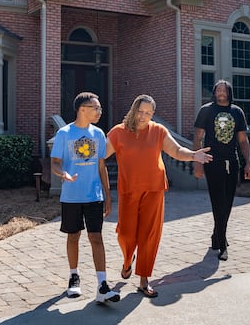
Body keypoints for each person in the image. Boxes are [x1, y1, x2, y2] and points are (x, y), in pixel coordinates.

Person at [106, 95, 212, 298]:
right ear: (133, 109)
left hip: (154, 189)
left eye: (148, 113)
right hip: (129, 190)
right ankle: (128, 260)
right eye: (141, 111)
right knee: (126, 233)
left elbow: (176, 150)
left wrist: (193, 155)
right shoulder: (118, 132)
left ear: (153, 114)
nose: (144, 116)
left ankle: (144, 279)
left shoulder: (158, 131)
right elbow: (100, 154)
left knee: (149, 235)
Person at [51, 92, 120, 304]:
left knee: (96, 237)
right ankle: (74, 276)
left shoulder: (99, 134)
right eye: (96, 108)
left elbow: (101, 167)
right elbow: (54, 162)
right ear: (83, 109)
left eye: (100, 108)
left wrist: (108, 196)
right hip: (71, 196)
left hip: (93, 196)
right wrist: (63, 174)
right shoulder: (64, 133)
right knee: (73, 236)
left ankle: (102, 285)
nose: (100, 111)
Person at [193, 79, 250, 261]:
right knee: (217, 201)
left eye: (224, 90)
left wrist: (248, 163)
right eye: (218, 90)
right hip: (212, 161)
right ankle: (222, 243)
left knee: (227, 201)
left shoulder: (237, 112)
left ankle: (216, 235)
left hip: (232, 161)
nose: (221, 93)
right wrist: (197, 162)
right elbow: (197, 137)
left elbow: (243, 140)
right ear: (214, 92)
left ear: (229, 93)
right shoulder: (206, 110)